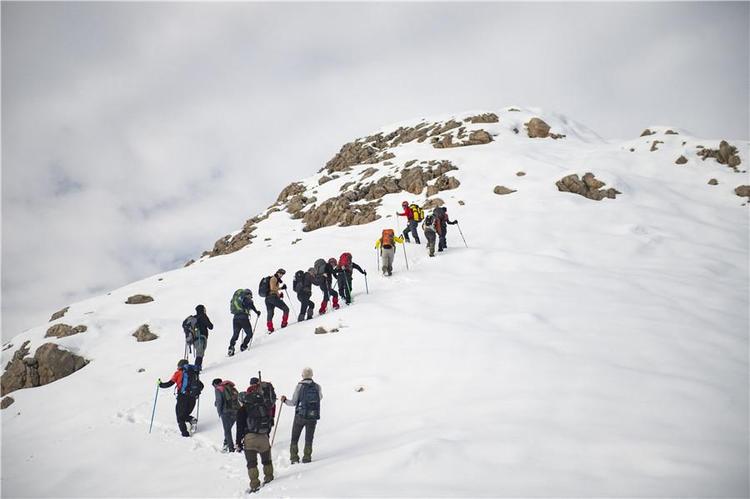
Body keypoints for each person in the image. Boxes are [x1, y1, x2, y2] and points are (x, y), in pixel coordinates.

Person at [236, 378, 276, 492]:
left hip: (250, 439)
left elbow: (239, 428)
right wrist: (266, 434)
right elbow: (269, 421)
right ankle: (269, 478)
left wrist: (238, 442)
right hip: (263, 436)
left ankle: (255, 485)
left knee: (252, 463)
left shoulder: (242, 410)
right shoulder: (262, 407)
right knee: (267, 461)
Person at [281, 367, 322, 464]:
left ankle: (294, 457)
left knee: (295, 437)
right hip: (312, 416)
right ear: (312, 375)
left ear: (302, 375)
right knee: (309, 437)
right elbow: (320, 398)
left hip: (300, 416)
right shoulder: (317, 387)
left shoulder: (299, 386)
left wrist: (285, 401)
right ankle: (307, 457)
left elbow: (294, 402)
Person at [158, 359, 203, 437]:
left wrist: (160, 384)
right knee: (184, 414)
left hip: (183, 397)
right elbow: (201, 385)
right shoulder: (194, 373)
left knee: (180, 417)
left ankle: (185, 434)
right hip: (192, 397)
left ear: (180, 366)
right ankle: (191, 420)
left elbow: (169, 383)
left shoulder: (178, 373)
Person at [228, 289, 262, 357]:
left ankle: (231, 347)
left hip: (235, 318)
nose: (251, 297)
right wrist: (257, 312)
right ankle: (243, 346)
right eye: (250, 296)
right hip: (243, 318)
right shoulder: (247, 299)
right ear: (248, 294)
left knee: (235, 334)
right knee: (249, 334)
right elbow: (251, 305)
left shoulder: (238, 299)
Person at [212, 378, 240, 452]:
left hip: (226, 412)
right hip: (236, 410)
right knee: (228, 428)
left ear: (215, 384)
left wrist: (219, 412)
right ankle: (226, 443)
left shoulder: (218, 389)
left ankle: (231, 448)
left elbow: (219, 401)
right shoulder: (231, 387)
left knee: (227, 430)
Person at [193, 305, 213, 370]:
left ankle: (197, 366)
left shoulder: (194, 318)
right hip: (201, 337)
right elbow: (210, 326)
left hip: (194, 338)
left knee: (199, 352)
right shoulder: (203, 316)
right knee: (200, 353)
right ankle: (197, 367)